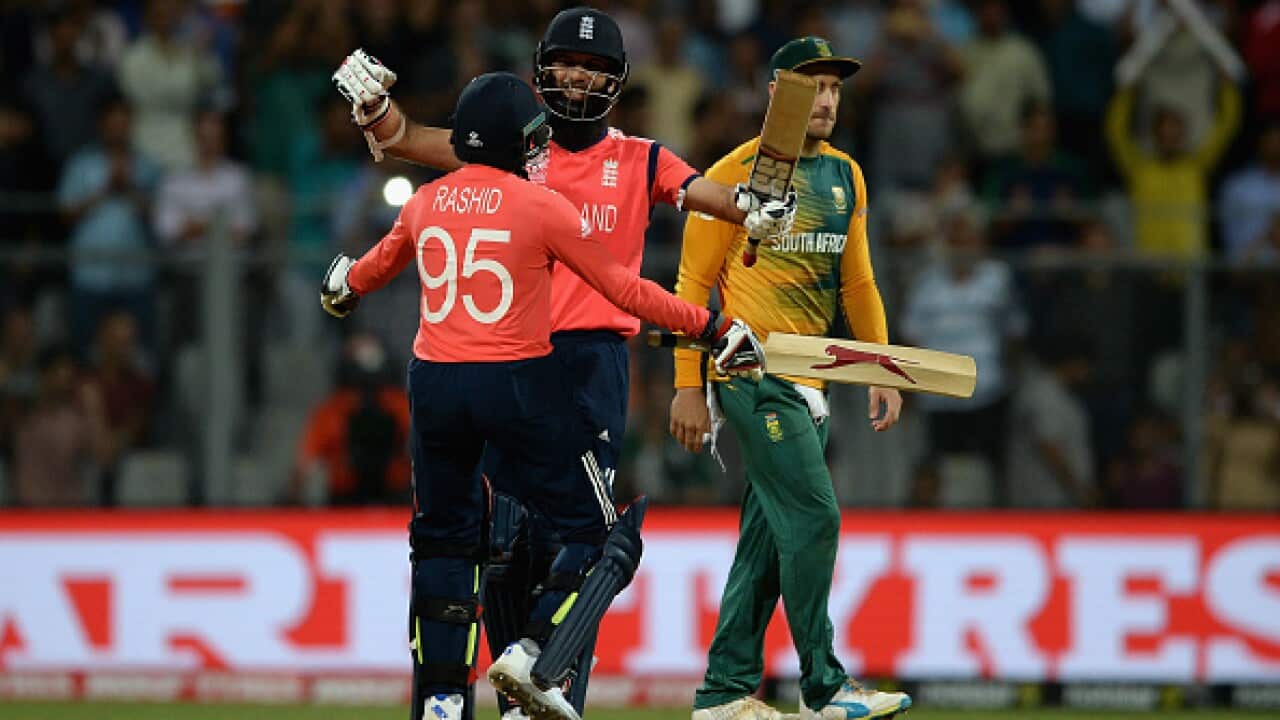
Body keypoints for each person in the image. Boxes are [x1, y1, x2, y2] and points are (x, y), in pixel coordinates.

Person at [330, 8, 793, 716]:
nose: (578, 77)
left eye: (595, 68)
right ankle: (525, 682)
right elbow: (407, 140)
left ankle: (533, 681)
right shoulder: (517, 154)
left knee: (560, 541)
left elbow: (711, 197)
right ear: (542, 72)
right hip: (518, 360)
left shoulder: (641, 157)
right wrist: (377, 110)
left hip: (592, 363)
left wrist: (754, 210)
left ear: (616, 80)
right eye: (567, 65)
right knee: (513, 543)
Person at [668, 37, 911, 720]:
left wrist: (880, 368)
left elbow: (856, 283)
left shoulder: (847, 177)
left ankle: (723, 693)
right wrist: (689, 384)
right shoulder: (732, 174)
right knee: (814, 515)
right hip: (751, 371)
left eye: (835, 88)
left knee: (769, 545)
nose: (828, 100)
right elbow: (691, 284)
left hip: (816, 381)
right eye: (812, 87)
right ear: (776, 94)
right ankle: (824, 687)